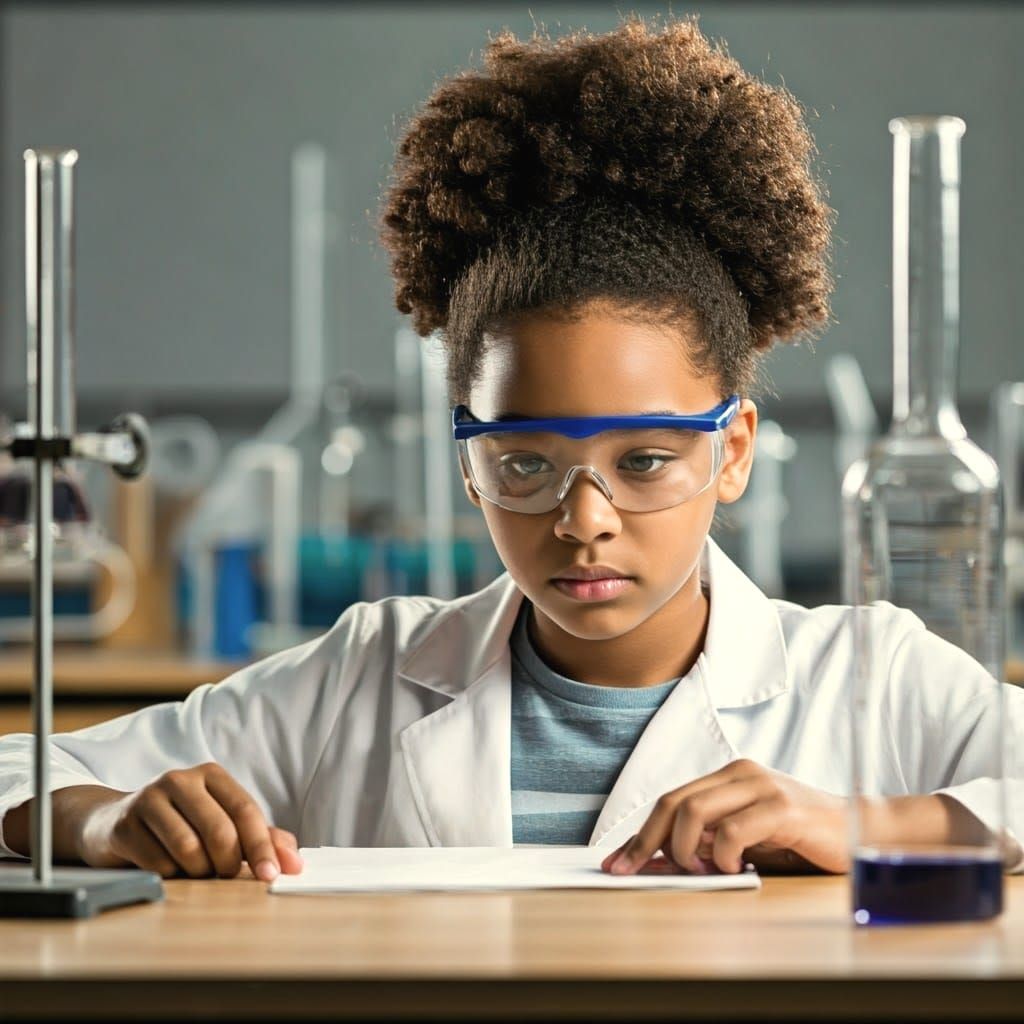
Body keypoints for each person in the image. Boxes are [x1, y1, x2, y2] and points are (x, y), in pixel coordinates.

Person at [0, 16, 1019, 883]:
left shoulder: (867, 676)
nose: (584, 520)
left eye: (646, 461)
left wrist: (865, 825)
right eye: (524, 463)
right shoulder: (366, 673)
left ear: (735, 448)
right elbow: (14, 773)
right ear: (465, 458)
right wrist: (99, 821)